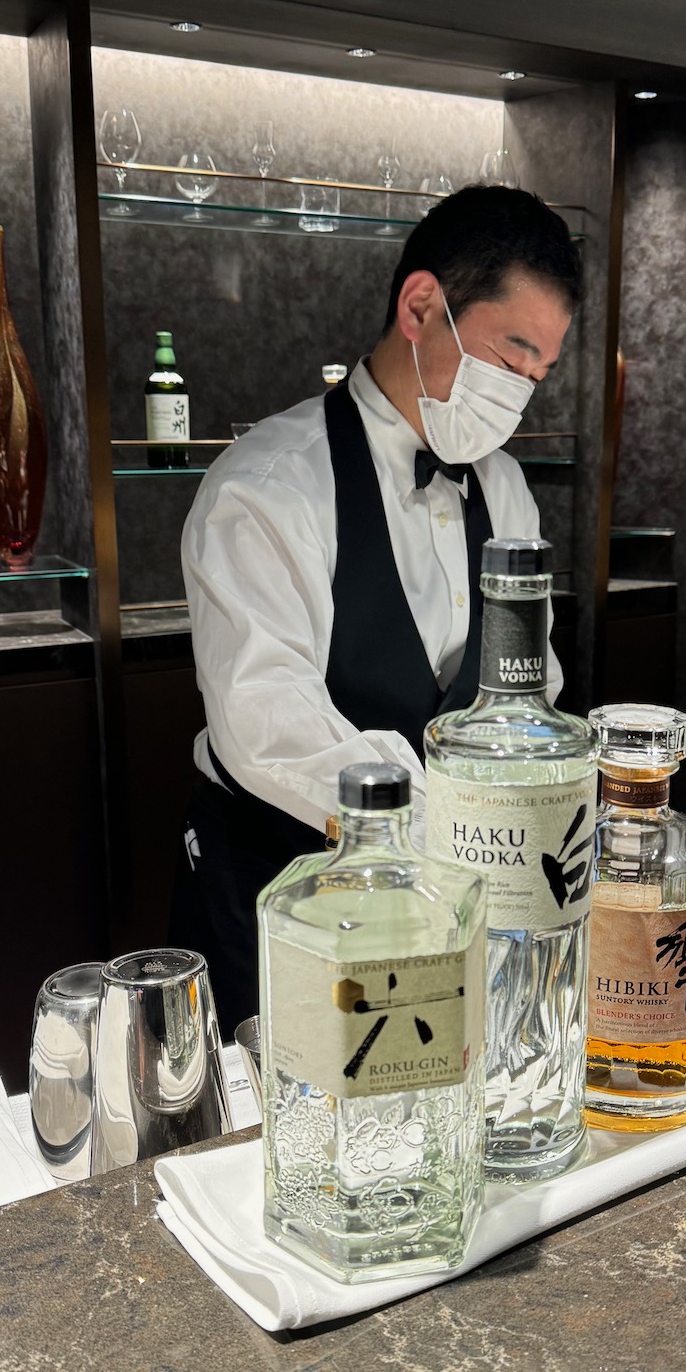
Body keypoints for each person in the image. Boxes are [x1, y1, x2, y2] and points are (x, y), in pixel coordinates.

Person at [172, 184, 582, 1028]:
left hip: (452, 908)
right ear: (422, 305)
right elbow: (264, 721)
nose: (520, 394)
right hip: (285, 888)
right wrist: (462, 838)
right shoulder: (267, 485)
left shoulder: (504, 491)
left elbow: (527, 682)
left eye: (538, 374)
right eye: (510, 359)